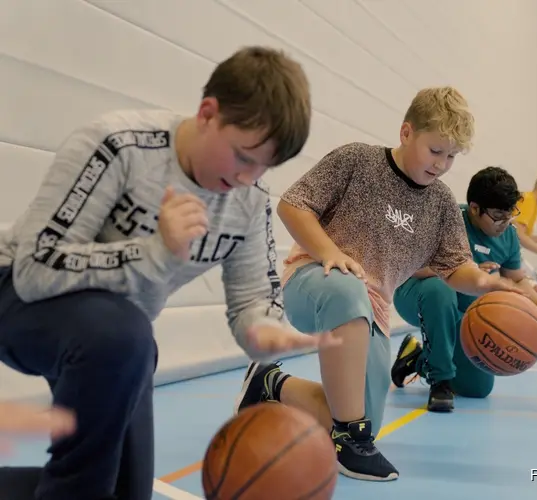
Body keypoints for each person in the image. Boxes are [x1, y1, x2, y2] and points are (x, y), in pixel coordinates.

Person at [0, 46, 333, 500]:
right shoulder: (119, 145)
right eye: (242, 155)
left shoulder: (248, 202)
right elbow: (36, 269)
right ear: (207, 113)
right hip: (14, 291)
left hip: (110, 333)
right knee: (126, 336)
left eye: (264, 166)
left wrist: (264, 331)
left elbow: (251, 303)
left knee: (123, 490)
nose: (246, 176)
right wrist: (154, 251)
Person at [234, 87, 526, 482]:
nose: (442, 164)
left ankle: (269, 384)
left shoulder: (440, 203)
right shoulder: (357, 160)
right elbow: (292, 204)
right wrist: (327, 252)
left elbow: (457, 268)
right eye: (435, 150)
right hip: (314, 283)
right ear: (406, 133)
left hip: (372, 310)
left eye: (452, 156)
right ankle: (348, 443)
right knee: (349, 288)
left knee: (360, 415)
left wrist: (492, 286)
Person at [390, 166, 537, 413]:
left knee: (478, 388)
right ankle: (440, 381)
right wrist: (464, 269)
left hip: (461, 311)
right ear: (475, 209)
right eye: (498, 216)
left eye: (510, 214)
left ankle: (416, 359)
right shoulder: (447, 220)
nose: (505, 223)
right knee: (438, 289)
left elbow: (518, 280)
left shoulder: (508, 235)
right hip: (417, 294)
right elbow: (409, 265)